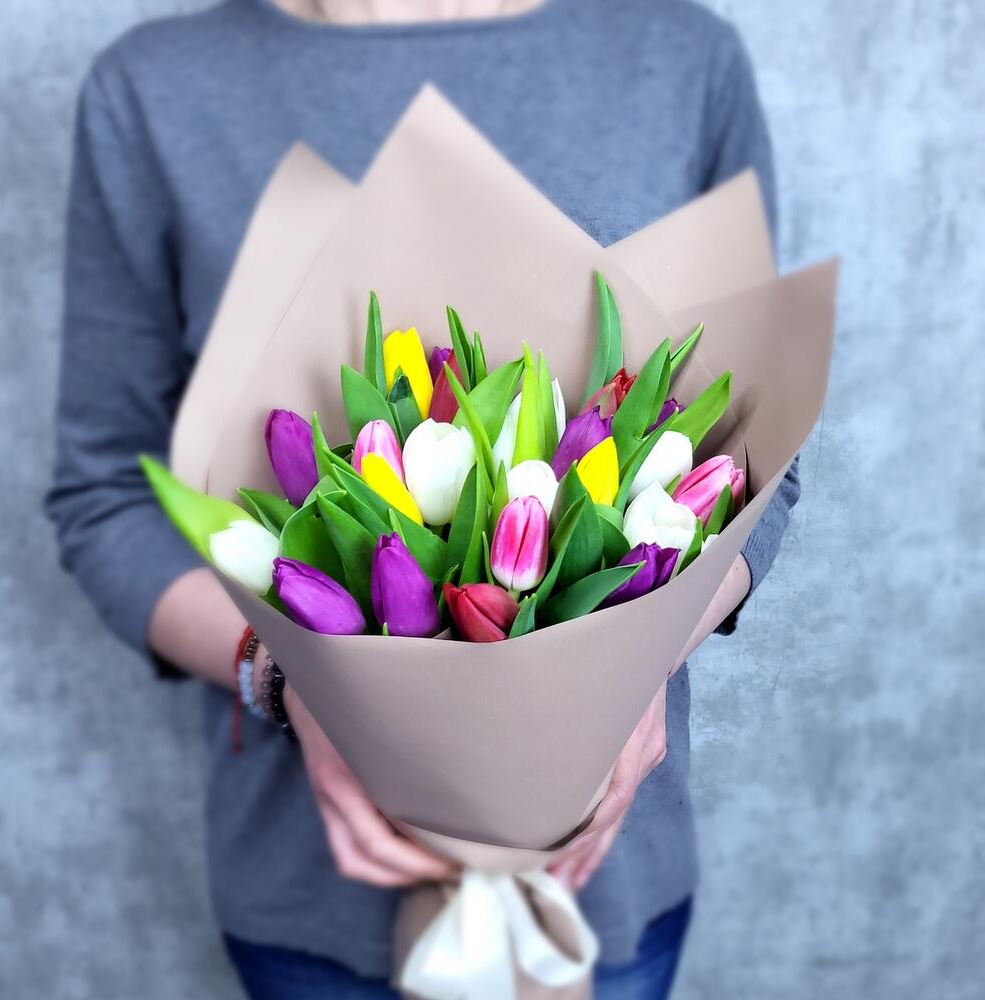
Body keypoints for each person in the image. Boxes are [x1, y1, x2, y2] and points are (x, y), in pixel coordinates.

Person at [47, 0, 799, 997]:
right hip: (313, 895)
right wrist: (286, 675)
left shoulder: (680, 57)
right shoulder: (157, 90)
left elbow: (760, 453)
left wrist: (637, 665)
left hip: (608, 883)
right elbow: (106, 495)